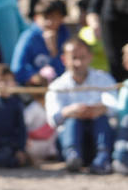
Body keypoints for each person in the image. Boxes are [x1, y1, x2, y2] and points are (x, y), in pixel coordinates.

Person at [46, 36, 118, 172]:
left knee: (102, 119)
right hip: (70, 139)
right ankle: (72, 157)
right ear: (64, 59)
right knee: (72, 121)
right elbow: (53, 118)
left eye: (82, 57)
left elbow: (114, 107)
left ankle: (102, 158)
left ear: (90, 57)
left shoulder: (104, 79)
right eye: (73, 58)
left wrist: (100, 109)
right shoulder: (57, 86)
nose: (78, 63)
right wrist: (70, 112)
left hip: (98, 136)